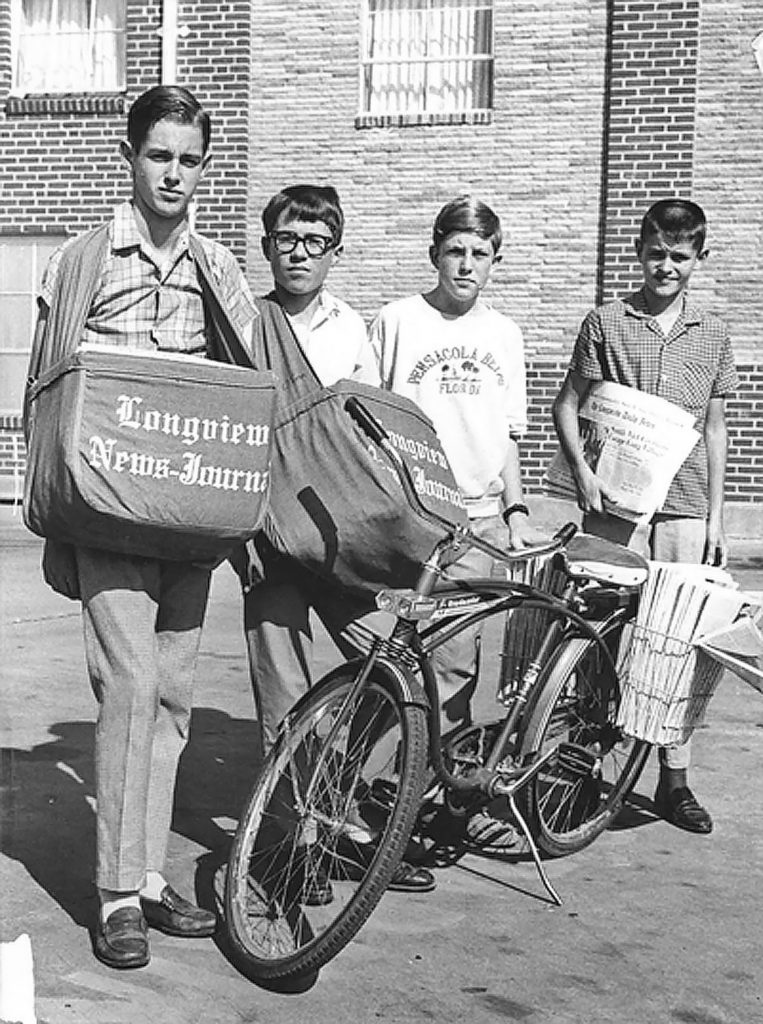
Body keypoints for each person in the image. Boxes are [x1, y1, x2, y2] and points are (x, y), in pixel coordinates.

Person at [25, 85, 257, 969]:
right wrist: (50, 518)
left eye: (189, 158)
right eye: (159, 154)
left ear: (204, 167)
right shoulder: (84, 260)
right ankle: (118, 894)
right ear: (130, 156)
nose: (174, 173)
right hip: (108, 514)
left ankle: (150, 878)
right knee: (126, 687)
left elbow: (244, 390)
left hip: (189, 517)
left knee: (169, 694)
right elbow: (43, 394)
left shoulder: (219, 269)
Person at [238, 183, 435, 896]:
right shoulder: (243, 322)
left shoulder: (352, 329)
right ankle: (290, 842)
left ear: (335, 252)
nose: (299, 253)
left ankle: (336, 803)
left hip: (342, 541)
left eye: (314, 242)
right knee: (283, 695)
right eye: (286, 239)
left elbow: (368, 438)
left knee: (396, 668)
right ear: (266, 247)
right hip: (270, 537)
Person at [552, 197, 739, 836]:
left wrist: (716, 517)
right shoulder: (605, 322)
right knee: (598, 633)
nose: (666, 267)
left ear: (699, 259)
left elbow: (715, 426)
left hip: (685, 509)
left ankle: (674, 780)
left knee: (679, 640)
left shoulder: (713, 333)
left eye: (680, 258)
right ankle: (582, 768)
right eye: (656, 254)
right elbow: (568, 405)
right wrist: (583, 474)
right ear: (639, 251)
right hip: (618, 508)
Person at [368, 195, 534, 851]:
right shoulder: (397, 321)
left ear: (496, 260)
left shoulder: (504, 335)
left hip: (477, 524)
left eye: (480, 254)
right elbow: (370, 415)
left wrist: (514, 513)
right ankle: (378, 793)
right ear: (435, 252)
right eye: (455, 251)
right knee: (389, 657)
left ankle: (437, 801)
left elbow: (508, 438)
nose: (466, 265)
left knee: (458, 668)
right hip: (409, 514)